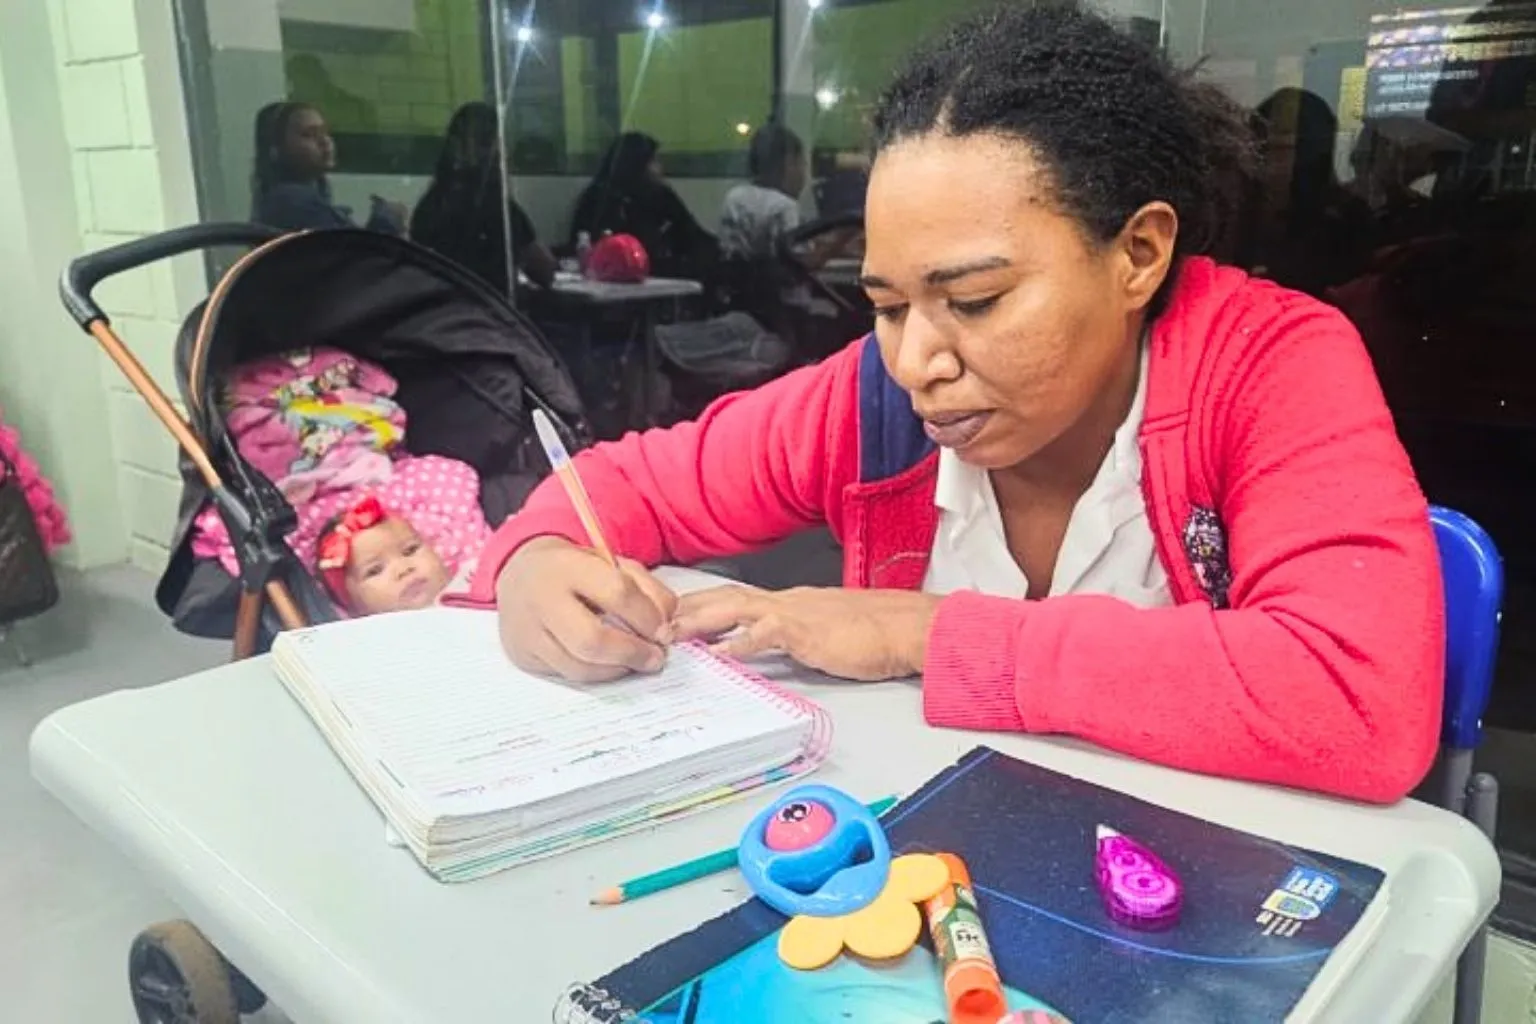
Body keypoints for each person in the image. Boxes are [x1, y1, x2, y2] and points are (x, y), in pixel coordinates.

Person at [467, 4, 1443, 804]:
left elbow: (1360, 697)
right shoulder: (874, 401)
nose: (918, 359)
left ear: (1138, 254)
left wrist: (918, 629)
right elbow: (621, 484)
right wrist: (535, 564)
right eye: (887, 303)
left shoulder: (1266, 365)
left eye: (974, 300)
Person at [410, 102, 559, 291]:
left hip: (440, 316)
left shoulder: (429, 206)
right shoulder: (499, 211)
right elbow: (544, 272)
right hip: (489, 317)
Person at [569, 132, 715, 278]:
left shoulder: (661, 196)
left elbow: (692, 234)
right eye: (654, 162)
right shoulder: (600, 198)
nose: (660, 169)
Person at [250, 101, 405, 235]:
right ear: (277, 149)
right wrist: (387, 220)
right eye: (309, 134)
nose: (325, 141)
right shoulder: (293, 201)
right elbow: (360, 256)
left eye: (325, 132)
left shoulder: (298, 197)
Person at [719, 122, 855, 271]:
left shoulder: (734, 197)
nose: (804, 175)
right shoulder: (783, 206)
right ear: (789, 163)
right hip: (780, 293)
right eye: (802, 164)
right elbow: (803, 264)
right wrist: (844, 236)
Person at [316, 496, 454, 616]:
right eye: (375, 570)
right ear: (353, 607)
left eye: (410, 550)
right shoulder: (376, 641)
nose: (404, 569)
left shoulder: (469, 580)